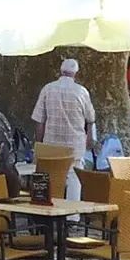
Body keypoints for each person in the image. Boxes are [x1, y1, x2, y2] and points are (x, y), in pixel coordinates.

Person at [32, 58, 97, 202]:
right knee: (74, 178)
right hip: (75, 145)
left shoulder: (47, 89)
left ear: (60, 72)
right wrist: (90, 139)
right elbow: (90, 119)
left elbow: (40, 121)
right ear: (76, 74)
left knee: (52, 179)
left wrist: (39, 144)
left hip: (51, 144)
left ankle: (52, 214)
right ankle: (72, 218)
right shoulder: (81, 92)